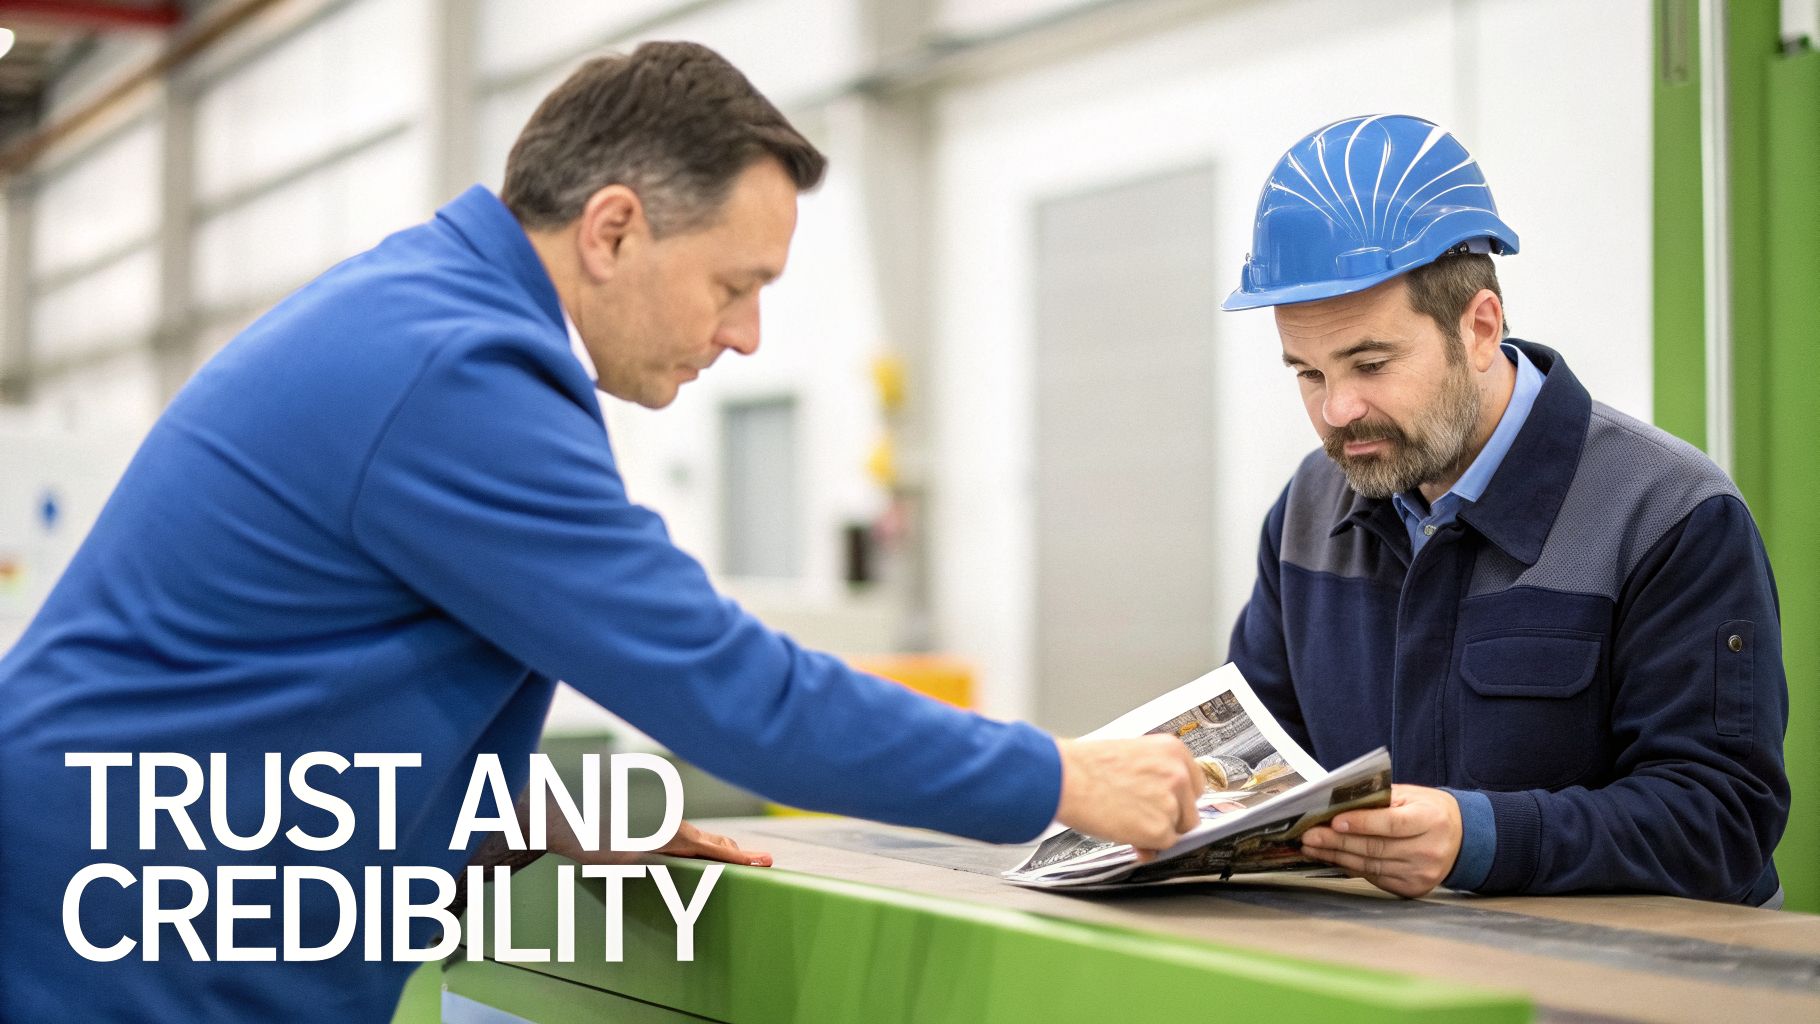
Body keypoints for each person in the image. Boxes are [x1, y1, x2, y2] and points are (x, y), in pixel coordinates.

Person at [0, 42, 1201, 1021]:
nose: (746, 336)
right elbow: (733, 694)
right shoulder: (455, 370)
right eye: (737, 284)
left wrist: (528, 819)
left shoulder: (424, 317)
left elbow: (281, 679)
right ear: (614, 228)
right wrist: (1061, 774)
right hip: (123, 948)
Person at [1220, 114, 1789, 905]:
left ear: (1479, 327)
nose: (1338, 410)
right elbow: (1259, 767)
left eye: (1371, 363)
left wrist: (1476, 837)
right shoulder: (1310, 512)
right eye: (1308, 374)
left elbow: (1722, 822)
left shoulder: (1669, 514)